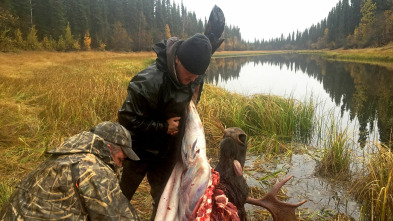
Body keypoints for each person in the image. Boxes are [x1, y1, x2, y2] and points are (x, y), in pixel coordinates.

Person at [118, 33, 214, 219]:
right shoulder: (148, 81)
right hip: (139, 148)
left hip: (167, 151)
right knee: (122, 194)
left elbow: (193, 85)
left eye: (197, 75)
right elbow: (126, 119)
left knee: (163, 198)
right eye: (190, 74)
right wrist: (163, 127)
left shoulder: (194, 75)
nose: (193, 79)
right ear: (177, 59)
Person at [0, 121, 140, 221]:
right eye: (120, 159)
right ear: (109, 148)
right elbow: (117, 216)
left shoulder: (64, 155)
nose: (120, 166)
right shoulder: (93, 168)